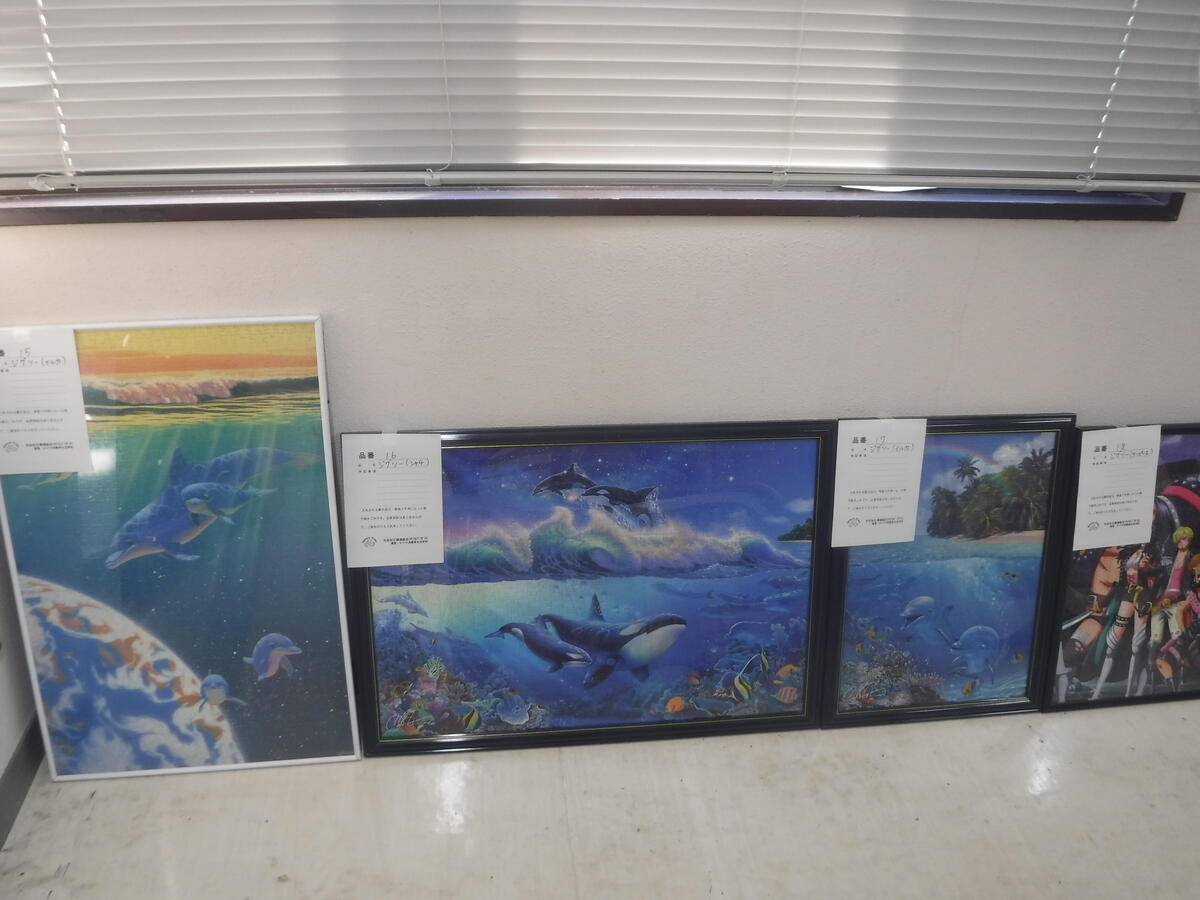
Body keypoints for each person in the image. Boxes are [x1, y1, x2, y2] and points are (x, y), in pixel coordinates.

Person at [1143, 527, 1195, 693]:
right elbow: (1155, 572)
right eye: (1181, 538)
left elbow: (1190, 585)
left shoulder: (1191, 559)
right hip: (1161, 601)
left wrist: (1183, 600)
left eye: (1186, 539)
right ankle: (1153, 680)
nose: (1184, 541)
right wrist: (1146, 567)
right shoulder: (1170, 559)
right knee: (1154, 640)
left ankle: (1178, 681)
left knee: (1177, 639)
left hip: (1177, 602)